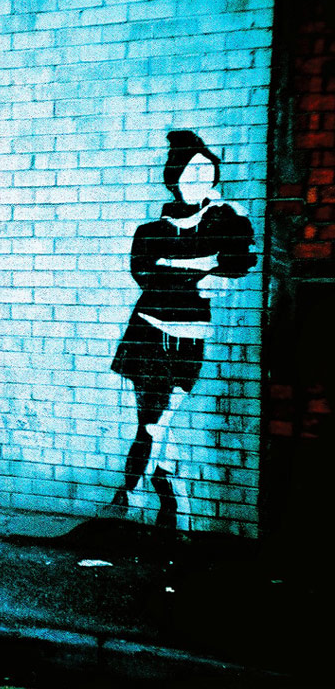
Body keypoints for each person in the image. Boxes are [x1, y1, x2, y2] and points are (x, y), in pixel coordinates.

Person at [110, 131, 255, 527]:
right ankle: (147, 497)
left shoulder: (220, 221)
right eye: (192, 171)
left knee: (159, 424)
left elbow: (239, 263)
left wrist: (232, 218)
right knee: (155, 423)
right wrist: (201, 266)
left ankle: (154, 491)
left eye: (207, 172)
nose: (200, 179)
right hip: (148, 336)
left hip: (191, 340)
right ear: (174, 177)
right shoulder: (151, 231)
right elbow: (147, 277)